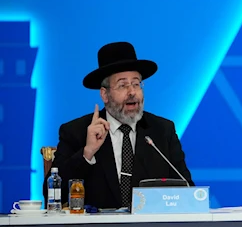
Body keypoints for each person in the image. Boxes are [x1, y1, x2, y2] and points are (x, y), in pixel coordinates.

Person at [43, 42, 194, 209]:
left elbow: (186, 190)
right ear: (104, 94)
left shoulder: (162, 131)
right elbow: (52, 194)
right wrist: (87, 153)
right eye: (122, 85)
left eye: (136, 84)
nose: (132, 92)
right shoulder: (76, 132)